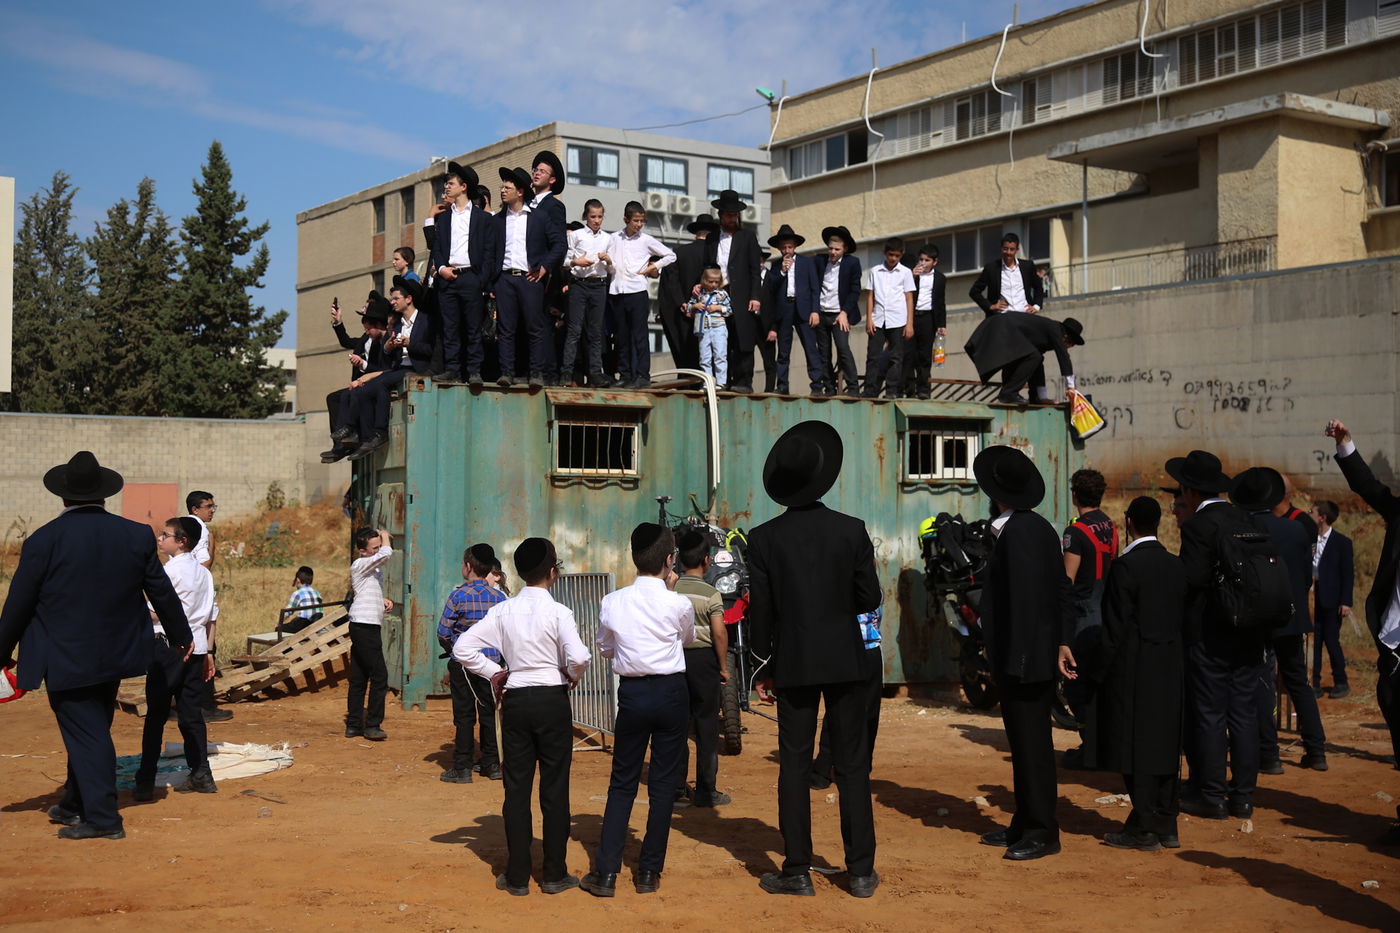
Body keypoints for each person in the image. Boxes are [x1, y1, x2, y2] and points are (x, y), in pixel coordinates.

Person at [0, 451, 193, 840]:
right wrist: (181, 635)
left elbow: (19, 602)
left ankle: (104, 819)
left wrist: (2, 651)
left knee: (87, 733)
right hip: (115, 653)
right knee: (90, 727)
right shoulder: (134, 534)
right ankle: (74, 803)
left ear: (63, 497)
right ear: (105, 495)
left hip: (65, 656)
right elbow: (160, 588)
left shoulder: (43, 540)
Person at [748, 421, 882, 897]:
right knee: (851, 764)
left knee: (795, 764)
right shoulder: (851, 531)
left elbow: (761, 612)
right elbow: (870, 597)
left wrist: (764, 667)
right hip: (848, 661)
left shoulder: (763, 539)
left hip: (795, 663)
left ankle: (798, 870)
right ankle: (861, 871)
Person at [454, 537, 591, 896]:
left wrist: (495, 673)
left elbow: (462, 648)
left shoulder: (502, 610)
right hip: (551, 699)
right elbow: (579, 656)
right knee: (555, 788)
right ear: (552, 572)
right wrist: (569, 677)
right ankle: (554, 874)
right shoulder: (559, 612)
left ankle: (516, 877)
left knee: (516, 789)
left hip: (514, 698)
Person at [581, 524, 696, 897]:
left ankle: (607, 873)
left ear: (633, 558)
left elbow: (605, 647)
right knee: (663, 786)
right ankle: (648, 872)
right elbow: (687, 638)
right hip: (671, 692)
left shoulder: (613, 601)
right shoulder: (678, 601)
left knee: (623, 783)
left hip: (632, 693)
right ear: (668, 560)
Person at [974, 446, 1072, 861]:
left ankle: (1042, 830)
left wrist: (1017, 659)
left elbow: (1030, 602)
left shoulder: (1021, 533)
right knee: (1024, 741)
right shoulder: (1027, 529)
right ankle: (1025, 821)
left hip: (1026, 657)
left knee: (1032, 744)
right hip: (1024, 654)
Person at [1168, 450, 1264, 821]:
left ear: (1189, 491)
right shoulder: (1247, 519)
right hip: (1250, 630)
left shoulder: (1198, 526)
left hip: (1210, 631)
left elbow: (1191, 580)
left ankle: (1209, 793)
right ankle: (1242, 797)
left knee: (1209, 713)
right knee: (1243, 713)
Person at [1091, 497, 1186, 852]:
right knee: (1165, 744)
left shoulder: (1126, 568)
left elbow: (1113, 630)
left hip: (1135, 668)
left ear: (1128, 522)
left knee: (1134, 747)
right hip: (1171, 665)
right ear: (1158, 522)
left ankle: (1143, 827)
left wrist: (1096, 675)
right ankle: (1167, 822)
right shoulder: (1176, 566)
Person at [1231, 467, 1328, 773]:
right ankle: (1316, 751)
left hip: (1256, 618)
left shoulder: (1241, 528)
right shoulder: (1298, 530)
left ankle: (1269, 755)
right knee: (1298, 682)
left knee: (1261, 682)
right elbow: (1305, 578)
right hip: (1291, 615)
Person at [1326, 419, 1400, 774]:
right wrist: (1346, 443)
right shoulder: (1399, 513)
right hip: (1394, 639)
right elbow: (1367, 487)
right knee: (1389, 699)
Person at [135, 516, 217, 800]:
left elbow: (160, 612)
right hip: (196, 648)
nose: (160, 538)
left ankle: (145, 780)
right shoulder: (205, 573)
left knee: (156, 714)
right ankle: (202, 774)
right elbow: (210, 616)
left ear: (181, 541)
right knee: (191, 714)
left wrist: (136, 607)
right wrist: (208, 652)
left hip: (169, 647)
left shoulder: (170, 571)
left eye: (165, 534)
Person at [1060, 468, 1118, 771]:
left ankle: (1089, 749)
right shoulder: (1111, 525)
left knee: (1077, 684)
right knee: (1102, 682)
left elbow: (1067, 580)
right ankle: (1102, 745)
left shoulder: (1076, 532)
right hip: (1107, 609)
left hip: (1083, 612)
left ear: (1075, 494)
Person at [436, 543, 507, 783]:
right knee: (489, 713)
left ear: (468, 567)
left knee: (464, 716)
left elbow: (443, 632)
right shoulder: (500, 597)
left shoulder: (458, 595)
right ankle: (492, 764)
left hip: (464, 664)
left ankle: (462, 767)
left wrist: (455, 650)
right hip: (491, 665)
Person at [346, 275, 437, 462]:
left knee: (380, 384)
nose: (392, 302)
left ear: (408, 299)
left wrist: (409, 343)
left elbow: (432, 351)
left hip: (418, 369)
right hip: (399, 369)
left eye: (396, 298)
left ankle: (380, 432)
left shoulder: (426, 320)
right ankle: (365, 436)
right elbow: (389, 357)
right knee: (363, 389)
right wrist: (388, 348)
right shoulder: (396, 324)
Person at [672, 528, 730, 810]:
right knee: (706, 726)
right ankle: (707, 791)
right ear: (707, 561)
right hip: (705, 661)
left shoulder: (671, 590)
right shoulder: (711, 594)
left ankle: (677, 789)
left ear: (679, 561)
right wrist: (722, 666)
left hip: (675, 661)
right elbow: (719, 633)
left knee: (677, 726)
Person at [430, 161, 498, 385]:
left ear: (464, 187)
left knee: (472, 328)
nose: (446, 188)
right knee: (450, 328)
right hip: (448, 278)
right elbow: (437, 248)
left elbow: (489, 252)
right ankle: (452, 370)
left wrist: (480, 281)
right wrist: (441, 269)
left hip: (471, 278)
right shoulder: (445, 218)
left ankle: (474, 371)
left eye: (450, 184)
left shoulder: (482, 218)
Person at [809, 602, 883, 789]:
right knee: (849, 712)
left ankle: (828, 770)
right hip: (855, 651)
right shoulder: (869, 584)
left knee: (860, 713)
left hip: (858, 650)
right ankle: (830, 769)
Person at [607, 202, 676, 389]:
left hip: (637, 291)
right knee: (621, 336)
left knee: (639, 335)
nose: (638, 224)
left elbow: (670, 255)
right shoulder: (614, 238)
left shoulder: (646, 240)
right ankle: (625, 374)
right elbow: (610, 263)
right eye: (635, 221)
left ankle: (642, 375)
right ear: (626, 219)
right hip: (617, 290)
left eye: (641, 221)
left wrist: (654, 267)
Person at [703, 190, 764, 393]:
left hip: (742, 293)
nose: (731, 218)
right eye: (728, 215)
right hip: (718, 292)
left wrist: (755, 296)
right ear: (721, 215)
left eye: (734, 215)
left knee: (743, 338)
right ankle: (723, 379)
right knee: (721, 337)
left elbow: (755, 270)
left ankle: (744, 381)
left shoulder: (747, 237)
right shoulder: (712, 238)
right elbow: (707, 265)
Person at [323, 294, 394, 463]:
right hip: (359, 383)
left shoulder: (381, 338)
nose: (363, 310)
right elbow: (346, 340)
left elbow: (383, 369)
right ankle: (340, 444)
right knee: (334, 399)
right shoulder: (366, 337)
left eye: (366, 308)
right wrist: (338, 321)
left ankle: (353, 435)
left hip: (370, 383)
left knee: (352, 394)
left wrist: (362, 364)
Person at [964, 313, 1083, 406]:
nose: (1069, 347)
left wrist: (1042, 397)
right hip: (1001, 328)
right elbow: (1063, 356)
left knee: (1035, 357)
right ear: (1066, 338)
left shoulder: (1046, 334)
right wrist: (1071, 387)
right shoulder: (1055, 329)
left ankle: (1033, 396)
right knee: (1034, 356)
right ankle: (1008, 393)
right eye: (1071, 344)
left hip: (1007, 332)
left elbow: (1038, 364)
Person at [186, 491, 230, 723]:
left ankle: (182, 703)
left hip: (186, 597)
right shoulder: (201, 528)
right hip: (198, 596)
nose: (212, 510)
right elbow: (206, 563)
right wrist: (213, 546)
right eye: (208, 506)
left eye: (214, 506)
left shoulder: (186, 526)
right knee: (205, 649)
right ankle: (205, 706)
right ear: (195, 509)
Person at [346, 527, 393, 742]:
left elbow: (367, 590)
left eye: (378, 546)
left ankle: (355, 724)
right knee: (379, 676)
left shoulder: (372, 570)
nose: (378, 550)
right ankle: (372, 725)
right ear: (362, 551)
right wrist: (384, 537)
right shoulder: (359, 564)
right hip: (364, 627)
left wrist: (381, 601)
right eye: (373, 548)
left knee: (359, 677)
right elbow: (386, 554)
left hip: (365, 624)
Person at [761, 224, 820, 395]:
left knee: (810, 347)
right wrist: (782, 271)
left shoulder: (807, 263)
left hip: (803, 309)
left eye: (790, 246)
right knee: (784, 350)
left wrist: (815, 311)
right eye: (784, 247)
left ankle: (817, 384)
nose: (787, 250)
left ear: (795, 246)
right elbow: (771, 288)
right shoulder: (775, 265)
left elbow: (815, 289)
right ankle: (782, 385)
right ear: (779, 248)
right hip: (784, 309)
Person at [561, 199, 612, 387]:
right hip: (579, 284)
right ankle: (566, 373)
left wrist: (608, 261)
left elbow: (612, 270)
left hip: (599, 284)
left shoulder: (608, 238)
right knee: (574, 330)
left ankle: (595, 373)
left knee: (595, 332)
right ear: (585, 217)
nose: (596, 220)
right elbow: (564, 261)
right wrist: (576, 262)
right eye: (593, 216)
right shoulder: (576, 235)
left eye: (599, 216)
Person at [658, 214, 718, 372]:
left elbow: (670, 284)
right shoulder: (718, 255)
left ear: (695, 233)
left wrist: (682, 304)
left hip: (684, 315)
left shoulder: (678, 253)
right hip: (713, 316)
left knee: (687, 357)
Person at [810, 226, 863, 397]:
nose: (833, 252)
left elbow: (855, 290)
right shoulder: (819, 261)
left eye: (837, 249)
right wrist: (814, 310)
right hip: (822, 312)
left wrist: (844, 312)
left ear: (844, 249)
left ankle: (853, 387)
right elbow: (813, 286)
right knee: (824, 353)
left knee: (843, 348)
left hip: (839, 315)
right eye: (830, 248)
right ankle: (829, 388)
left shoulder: (852, 263)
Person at [862, 238, 915, 399]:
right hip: (878, 319)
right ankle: (870, 390)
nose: (893, 259)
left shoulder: (905, 272)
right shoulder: (875, 271)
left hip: (898, 319)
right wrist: (869, 319)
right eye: (891, 255)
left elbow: (909, 298)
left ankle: (891, 391)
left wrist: (909, 323)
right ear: (885, 253)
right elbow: (870, 296)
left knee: (896, 357)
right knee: (873, 356)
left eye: (897, 256)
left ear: (901, 255)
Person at [1311, 498, 1353, 699]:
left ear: (1322, 518)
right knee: (1314, 640)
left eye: (1312, 512)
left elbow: (1348, 574)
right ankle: (1314, 683)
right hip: (1313, 597)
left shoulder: (1342, 543)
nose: (1309, 515)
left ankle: (1341, 682)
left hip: (1332, 598)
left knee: (1331, 640)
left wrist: (1346, 601)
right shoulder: (1310, 539)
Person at [901, 246, 947, 399]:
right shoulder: (910, 274)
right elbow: (902, 293)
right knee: (908, 354)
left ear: (935, 262)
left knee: (925, 356)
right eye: (921, 259)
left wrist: (942, 324)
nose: (923, 263)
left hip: (928, 318)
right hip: (911, 317)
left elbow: (940, 303)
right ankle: (907, 387)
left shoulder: (940, 278)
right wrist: (912, 277)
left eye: (927, 260)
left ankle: (923, 389)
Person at [969, 232, 1045, 316]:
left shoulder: (1027, 266)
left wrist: (1036, 306)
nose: (1008, 252)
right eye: (1005, 248)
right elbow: (974, 292)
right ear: (1001, 248)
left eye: (1012, 249)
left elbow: (1038, 287)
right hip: (1002, 318)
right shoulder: (991, 268)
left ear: (1017, 250)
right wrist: (990, 306)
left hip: (1025, 315)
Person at [686, 265, 732, 387]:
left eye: (716, 282)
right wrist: (695, 306)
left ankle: (721, 383)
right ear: (704, 280)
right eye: (710, 281)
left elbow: (730, 309)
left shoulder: (722, 294)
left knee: (720, 355)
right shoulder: (698, 294)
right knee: (704, 357)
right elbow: (688, 307)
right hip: (703, 328)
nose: (713, 284)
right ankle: (707, 383)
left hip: (719, 328)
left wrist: (718, 308)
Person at [283, 565, 323, 634]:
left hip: (302, 625)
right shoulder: (317, 593)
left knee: (279, 629)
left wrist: (279, 624)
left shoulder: (297, 593)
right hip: (316, 624)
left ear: (298, 579)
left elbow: (288, 612)